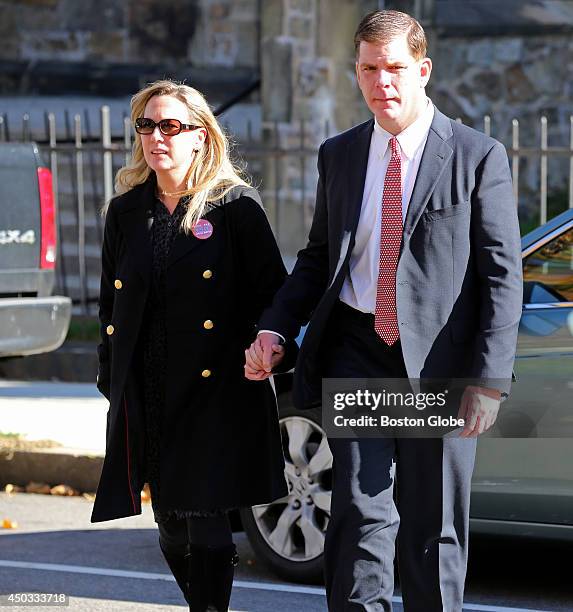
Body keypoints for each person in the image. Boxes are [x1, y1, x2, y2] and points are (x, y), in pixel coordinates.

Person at [245, 10, 522, 611]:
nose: (383, 83)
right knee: (360, 517)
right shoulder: (340, 155)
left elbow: (503, 275)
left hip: (438, 365)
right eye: (370, 69)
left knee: (433, 526)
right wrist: (274, 326)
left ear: (422, 70)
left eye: (395, 68)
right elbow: (319, 258)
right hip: (358, 350)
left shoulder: (477, 156)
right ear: (357, 72)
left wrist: (489, 381)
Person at [91, 79, 293, 611]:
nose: (157, 136)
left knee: (207, 529)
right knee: (172, 529)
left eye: (171, 126)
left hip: (216, 389)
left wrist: (269, 347)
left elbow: (275, 295)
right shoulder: (126, 212)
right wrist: (110, 378)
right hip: (150, 389)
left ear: (201, 135)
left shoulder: (234, 208)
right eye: (147, 125)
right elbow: (110, 306)